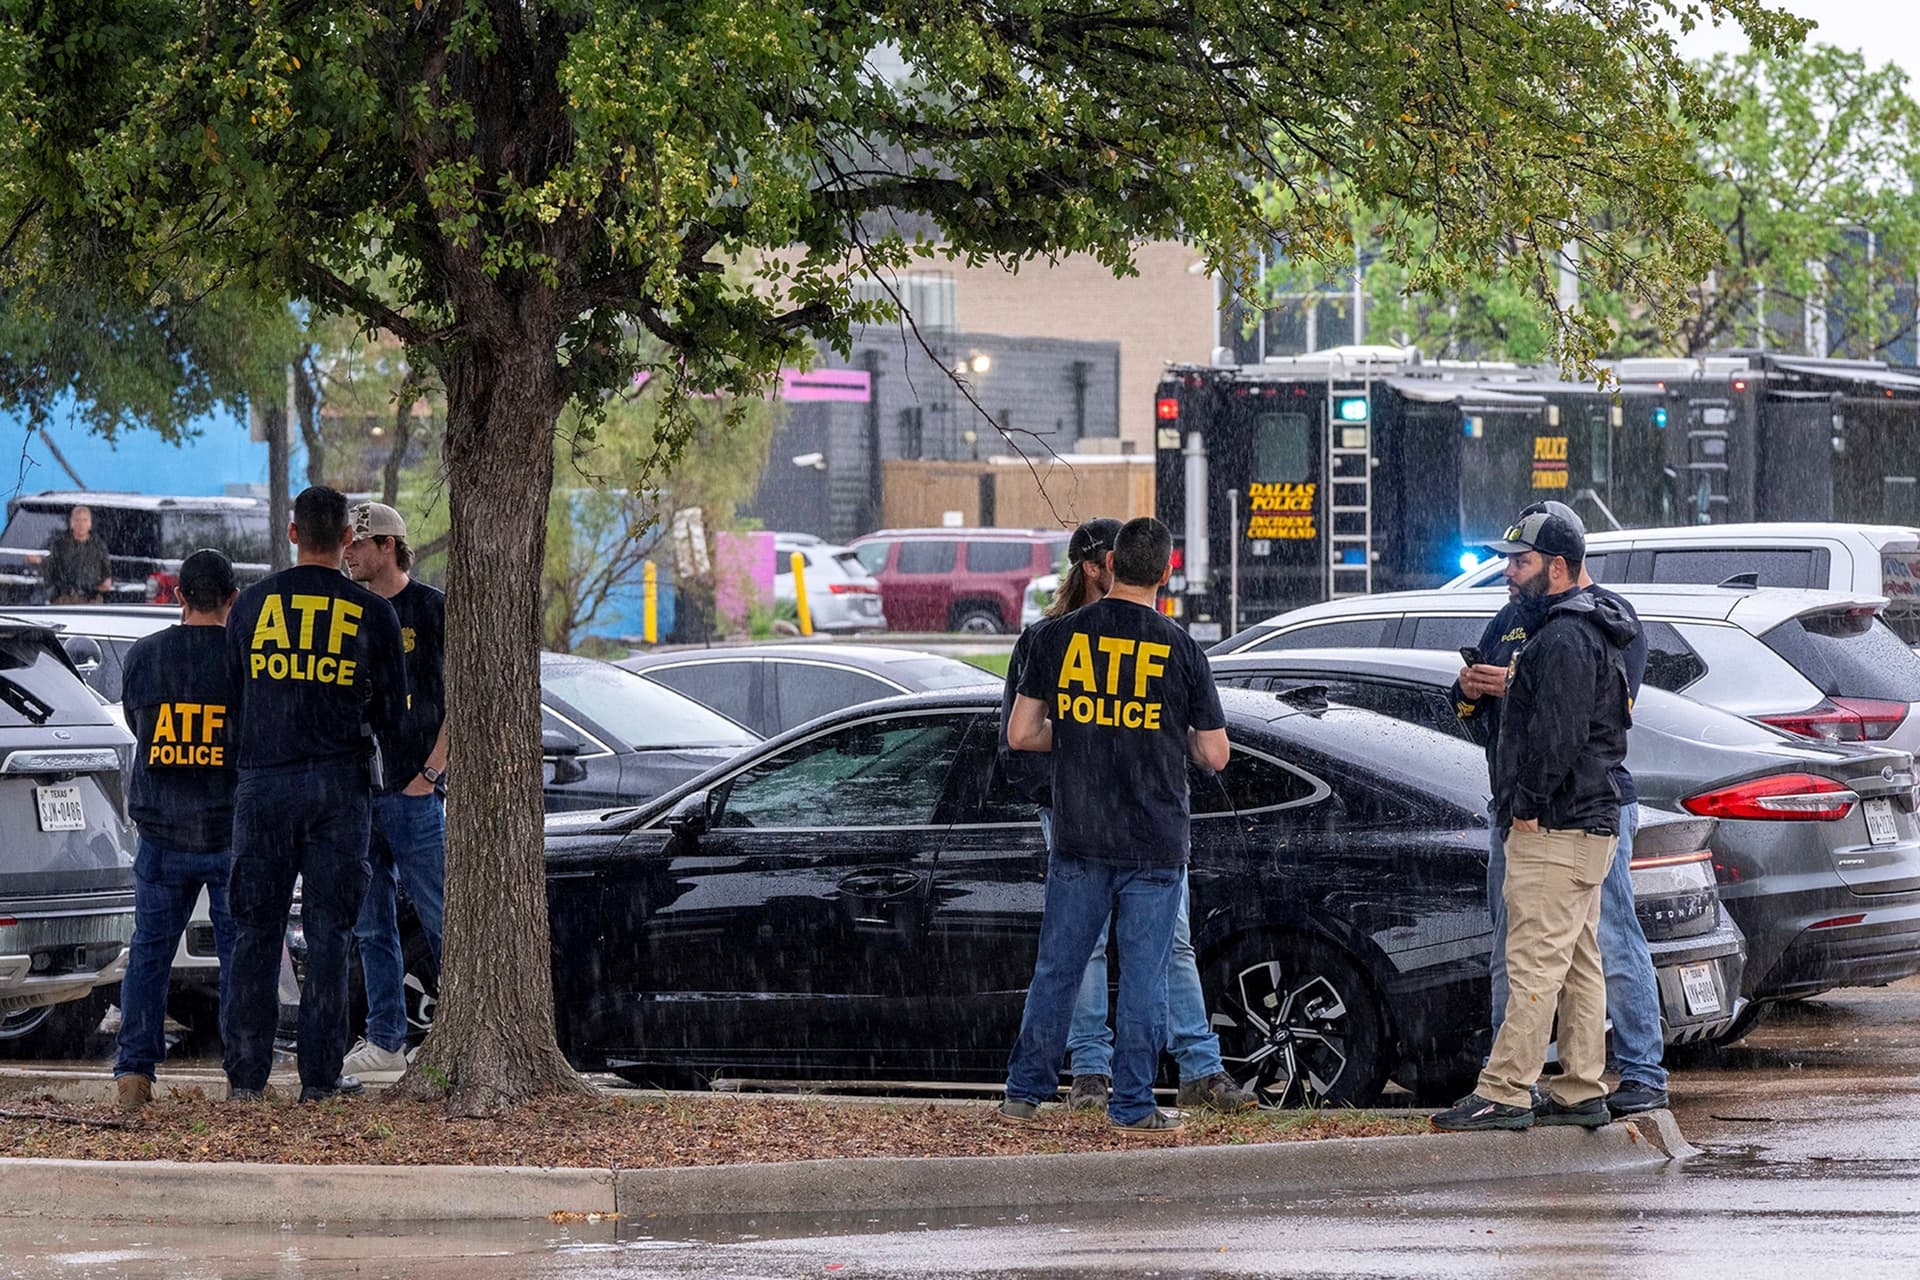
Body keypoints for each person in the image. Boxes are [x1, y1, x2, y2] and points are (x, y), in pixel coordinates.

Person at [1002, 523, 1254, 1116]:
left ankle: (1025, 1093)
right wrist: (1168, 736)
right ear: (1165, 574)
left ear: (1110, 563)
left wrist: (1087, 728)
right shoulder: (1182, 649)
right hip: (1155, 841)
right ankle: (1135, 1106)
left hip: (1080, 834)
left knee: (1059, 969)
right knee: (1146, 977)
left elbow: (1020, 734)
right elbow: (1216, 754)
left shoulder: (1055, 638)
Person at [1453, 500, 1670, 1117]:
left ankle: (1519, 1090)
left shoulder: (1589, 625)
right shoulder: (1522, 620)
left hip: (1563, 813)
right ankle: (1576, 1087)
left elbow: (1569, 727)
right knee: (1563, 955)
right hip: (1535, 809)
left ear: (1557, 566)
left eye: (1520, 562)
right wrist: (1471, 692)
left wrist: (1527, 803)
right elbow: (1499, 722)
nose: (1508, 572)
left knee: (1555, 953)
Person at [222, 485, 408, 1104]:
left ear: (294, 532)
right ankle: (320, 1079)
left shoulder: (250, 605)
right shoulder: (373, 613)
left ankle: (246, 1078)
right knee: (331, 933)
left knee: (256, 930)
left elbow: (230, 701)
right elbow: (393, 713)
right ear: (348, 541)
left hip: (265, 783)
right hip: (339, 787)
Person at [112, 550, 241, 1111]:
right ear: (232, 599)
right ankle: (243, 1072)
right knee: (241, 954)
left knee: (149, 953)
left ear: (179, 596)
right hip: (228, 829)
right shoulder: (244, 660)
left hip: (162, 830)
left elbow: (138, 720)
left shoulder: (143, 657)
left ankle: (133, 1076)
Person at [340, 502, 448, 1083]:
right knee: (370, 922)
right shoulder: (350, 612)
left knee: (438, 915)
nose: (348, 554)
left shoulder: (431, 609)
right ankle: (385, 1038)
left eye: (359, 544)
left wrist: (429, 773)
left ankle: (456, 1029)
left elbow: (462, 700)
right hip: (361, 792)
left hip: (413, 794)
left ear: (388, 546)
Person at [41, 505, 112, 604]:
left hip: (92, 601)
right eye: (78, 520)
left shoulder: (99, 546)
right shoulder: (60, 545)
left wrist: (104, 584)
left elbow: (107, 574)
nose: (81, 524)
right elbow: (49, 570)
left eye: (84, 520)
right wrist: (40, 562)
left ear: (90, 523)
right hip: (64, 599)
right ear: (72, 523)